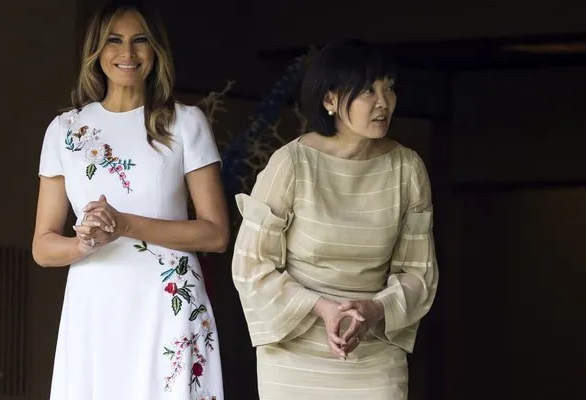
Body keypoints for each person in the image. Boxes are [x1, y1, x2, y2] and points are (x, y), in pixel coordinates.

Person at [32, 2, 228, 399]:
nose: (128, 53)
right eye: (114, 41)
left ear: (156, 51)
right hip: (95, 306)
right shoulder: (65, 130)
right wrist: (84, 243)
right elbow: (41, 245)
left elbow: (216, 234)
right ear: (96, 51)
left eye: (140, 41)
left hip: (167, 303)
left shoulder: (185, 122)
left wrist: (124, 225)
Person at [231, 39, 439, 400]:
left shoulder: (407, 168)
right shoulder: (291, 163)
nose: (382, 102)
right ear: (329, 101)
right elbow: (251, 265)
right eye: (366, 91)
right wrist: (322, 307)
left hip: (373, 351)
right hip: (294, 351)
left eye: (388, 88)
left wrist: (375, 309)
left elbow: (419, 272)